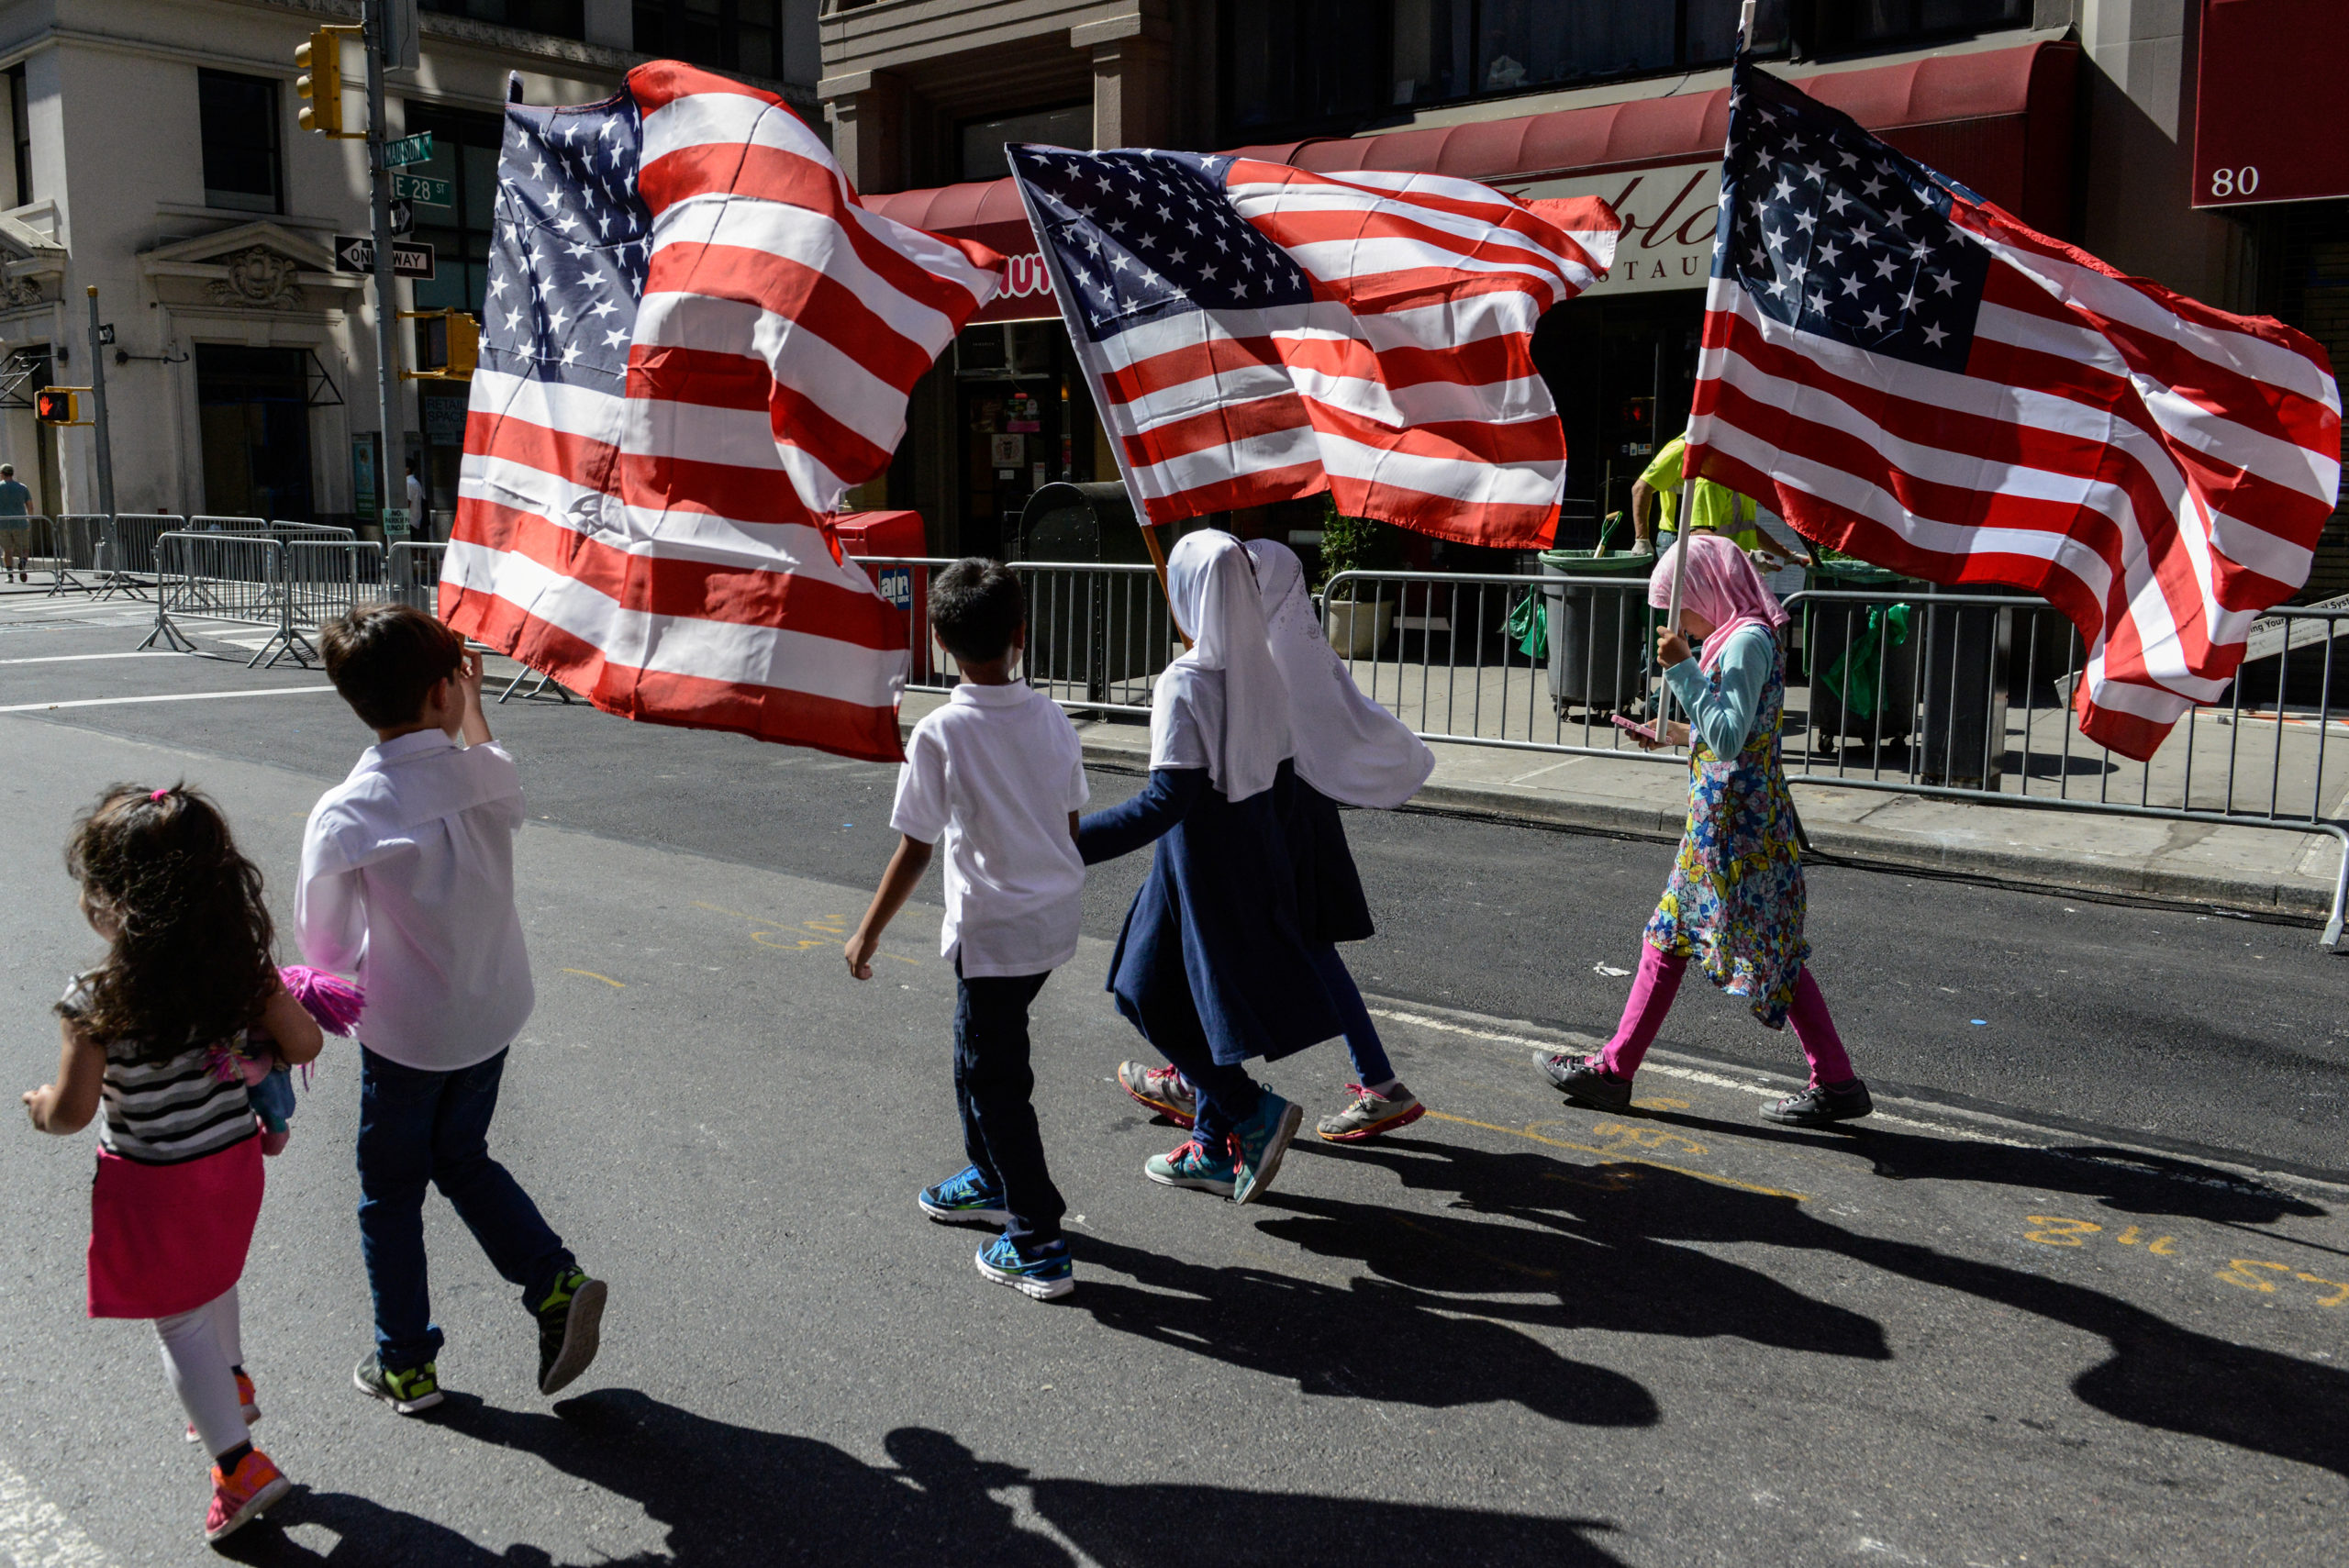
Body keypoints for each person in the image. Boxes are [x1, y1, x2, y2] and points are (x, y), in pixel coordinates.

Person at [296, 604, 606, 1416]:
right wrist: (472, 702)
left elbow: (324, 952)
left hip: (408, 1031)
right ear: (447, 687)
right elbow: (481, 755)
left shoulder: (347, 812)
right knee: (462, 1155)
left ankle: (406, 1360)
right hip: (491, 1010)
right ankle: (551, 1280)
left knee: (389, 1191)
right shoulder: (488, 773)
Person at [21, 784, 324, 1543]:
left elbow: (72, 1111)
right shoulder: (241, 972)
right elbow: (307, 1042)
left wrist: (36, 1104)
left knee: (178, 1318)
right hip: (232, 1166)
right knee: (213, 1277)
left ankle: (238, 1466)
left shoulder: (96, 996)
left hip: (155, 1183)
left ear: (109, 899)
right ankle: (234, 1379)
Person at [1538, 532, 1872, 1128]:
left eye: (1680, 606)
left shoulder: (1743, 641)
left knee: (1756, 950)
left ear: (1704, 588)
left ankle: (1834, 1079)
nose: (1682, 625)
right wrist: (1669, 733)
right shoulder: (1739, 636)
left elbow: (1729, 736)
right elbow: (1728, 733)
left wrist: (1684, 669)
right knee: (1684, 938)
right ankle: (1616, 1070)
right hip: (1734, 824)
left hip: (1736, 833)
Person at [1117, 538, 1436, 1144]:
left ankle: (1205, 1090)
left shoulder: (1248, 668)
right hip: (1299, 813)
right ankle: (1378, 1083)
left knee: (1212, 941)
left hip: (1273, 817)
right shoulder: (1287, 658)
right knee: (1299, 944)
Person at [845, 560, 1086, 1301]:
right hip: (1046, 920)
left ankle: (1039, 1236)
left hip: (995, 931)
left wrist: (867, 932)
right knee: (975, 1047)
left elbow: (915, 845)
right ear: (1021, 634)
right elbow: (1069, 822)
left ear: (940, 641)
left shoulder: (941, 731)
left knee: (995, 1079)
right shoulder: (1051, 718)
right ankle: (987, 1171)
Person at [1078, 529, 1341, 1205]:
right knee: (1190, 998)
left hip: (1194, 862)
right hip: (1248, 852)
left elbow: (1167, 799)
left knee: (1141, 991)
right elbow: (1284, 782)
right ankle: (1210, 1145)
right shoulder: (1267, 671)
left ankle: (1245, 1107)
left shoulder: (1185, 681)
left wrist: (1068, 842)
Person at [1631, 433, 1811, 571]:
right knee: (1686, 613)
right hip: (1684, 540)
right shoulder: (1684, 449)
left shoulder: (1733, 467)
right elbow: (1640, 489)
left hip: (1719, 547)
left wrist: (1787, 554)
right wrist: (1642, 539)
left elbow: (1744, 526)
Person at [0, 462, 33, 583]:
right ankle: (22, 564)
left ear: (2, 474)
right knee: (24, 548)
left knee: (7, 550)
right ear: (12, 474)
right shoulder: (22, 487)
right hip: (20, 523)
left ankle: (10, 576)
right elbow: (30, 506)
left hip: (3, 524)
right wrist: (30, 519)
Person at [404, 460, 430, 544]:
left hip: (409, 520)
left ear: (407, 469)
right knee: (409, 547)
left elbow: (407, 502)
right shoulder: (414, 482)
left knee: (408, 547)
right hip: (414, 519)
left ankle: (429, 558)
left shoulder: (409, 483)